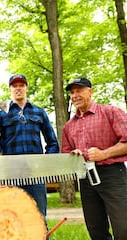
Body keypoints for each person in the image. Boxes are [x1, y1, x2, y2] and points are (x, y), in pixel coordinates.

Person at [0, 74, 59, 228]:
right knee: (14, 218)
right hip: (11, 173)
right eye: (15, 86)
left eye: (21, 85)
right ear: (10, 90)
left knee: (38, 217)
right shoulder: (1, 115)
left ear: (26, 88)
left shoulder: (39, 112)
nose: (18, 88)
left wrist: (45, 164)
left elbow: (53, 142)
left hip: (35, 173)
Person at [62, 77, 127, 240]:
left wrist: (104, 153)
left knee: (123, 227)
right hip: (86, 178)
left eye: (79, 91)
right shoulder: (68, 126)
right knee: (96, 230)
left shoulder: (111, 112)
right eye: (72, 92)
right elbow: (66, 154)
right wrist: (74, 157)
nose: (75, 95)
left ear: (90, 91)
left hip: (113, 175)